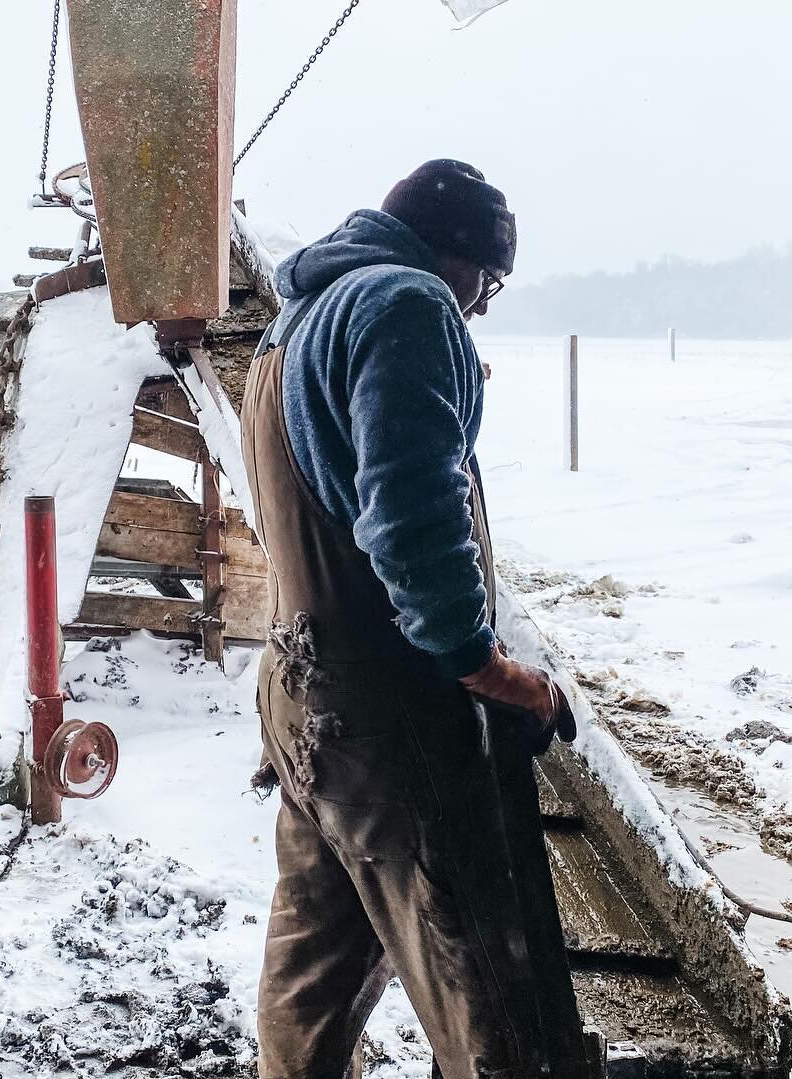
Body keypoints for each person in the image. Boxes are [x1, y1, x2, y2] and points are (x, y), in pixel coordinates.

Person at [242, 159, 585, 1079]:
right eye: (488, 283)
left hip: (302, 693)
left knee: (313, 966)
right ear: (457, 253)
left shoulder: (291, 329)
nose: (479, 307)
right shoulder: (406, 305)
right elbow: (411, 516)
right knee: (481, 971)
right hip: (386, 705)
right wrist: (485, 665)